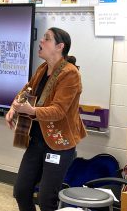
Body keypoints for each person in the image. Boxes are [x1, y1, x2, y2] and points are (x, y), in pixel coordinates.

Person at [5, 27, 86, 211]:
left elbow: (58, 111)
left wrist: (31, 111)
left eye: (46, 39)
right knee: (21, 191)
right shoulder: (43, 68)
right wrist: (13, 108)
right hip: (38, 140)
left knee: (46, 198)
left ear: (59, 46)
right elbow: (26, 91)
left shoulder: (70, 73)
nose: (41, 41)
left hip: (59, 144)